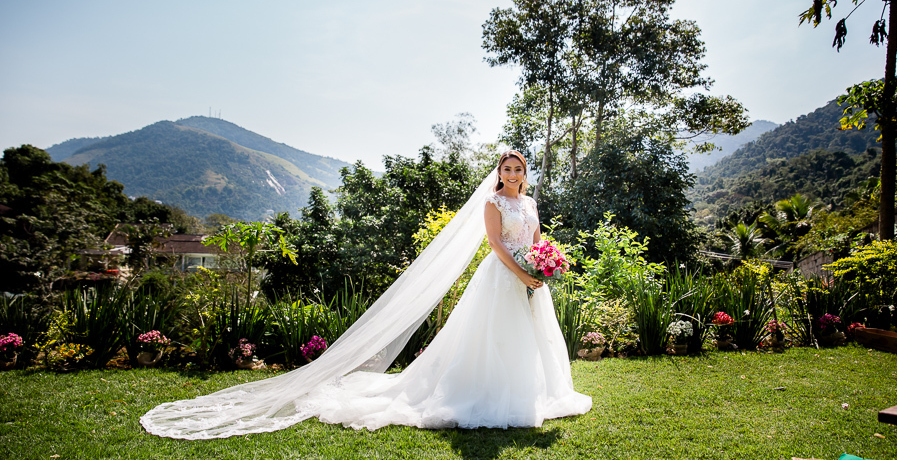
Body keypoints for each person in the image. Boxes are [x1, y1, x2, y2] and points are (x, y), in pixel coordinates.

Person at [141, 151, 591, 439]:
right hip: (501, 277)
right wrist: (521, 272)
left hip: (531, 279)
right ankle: (486, 393)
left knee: (529, 338)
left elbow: (535, 239)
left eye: (518, 169)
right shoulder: (492, 204)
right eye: (506, 169)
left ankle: (531, 395)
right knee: (491, 337)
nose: (512, 174)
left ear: (525, 174)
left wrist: (542, 267)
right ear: (498, 174)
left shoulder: (530, 204)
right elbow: (495, 245)